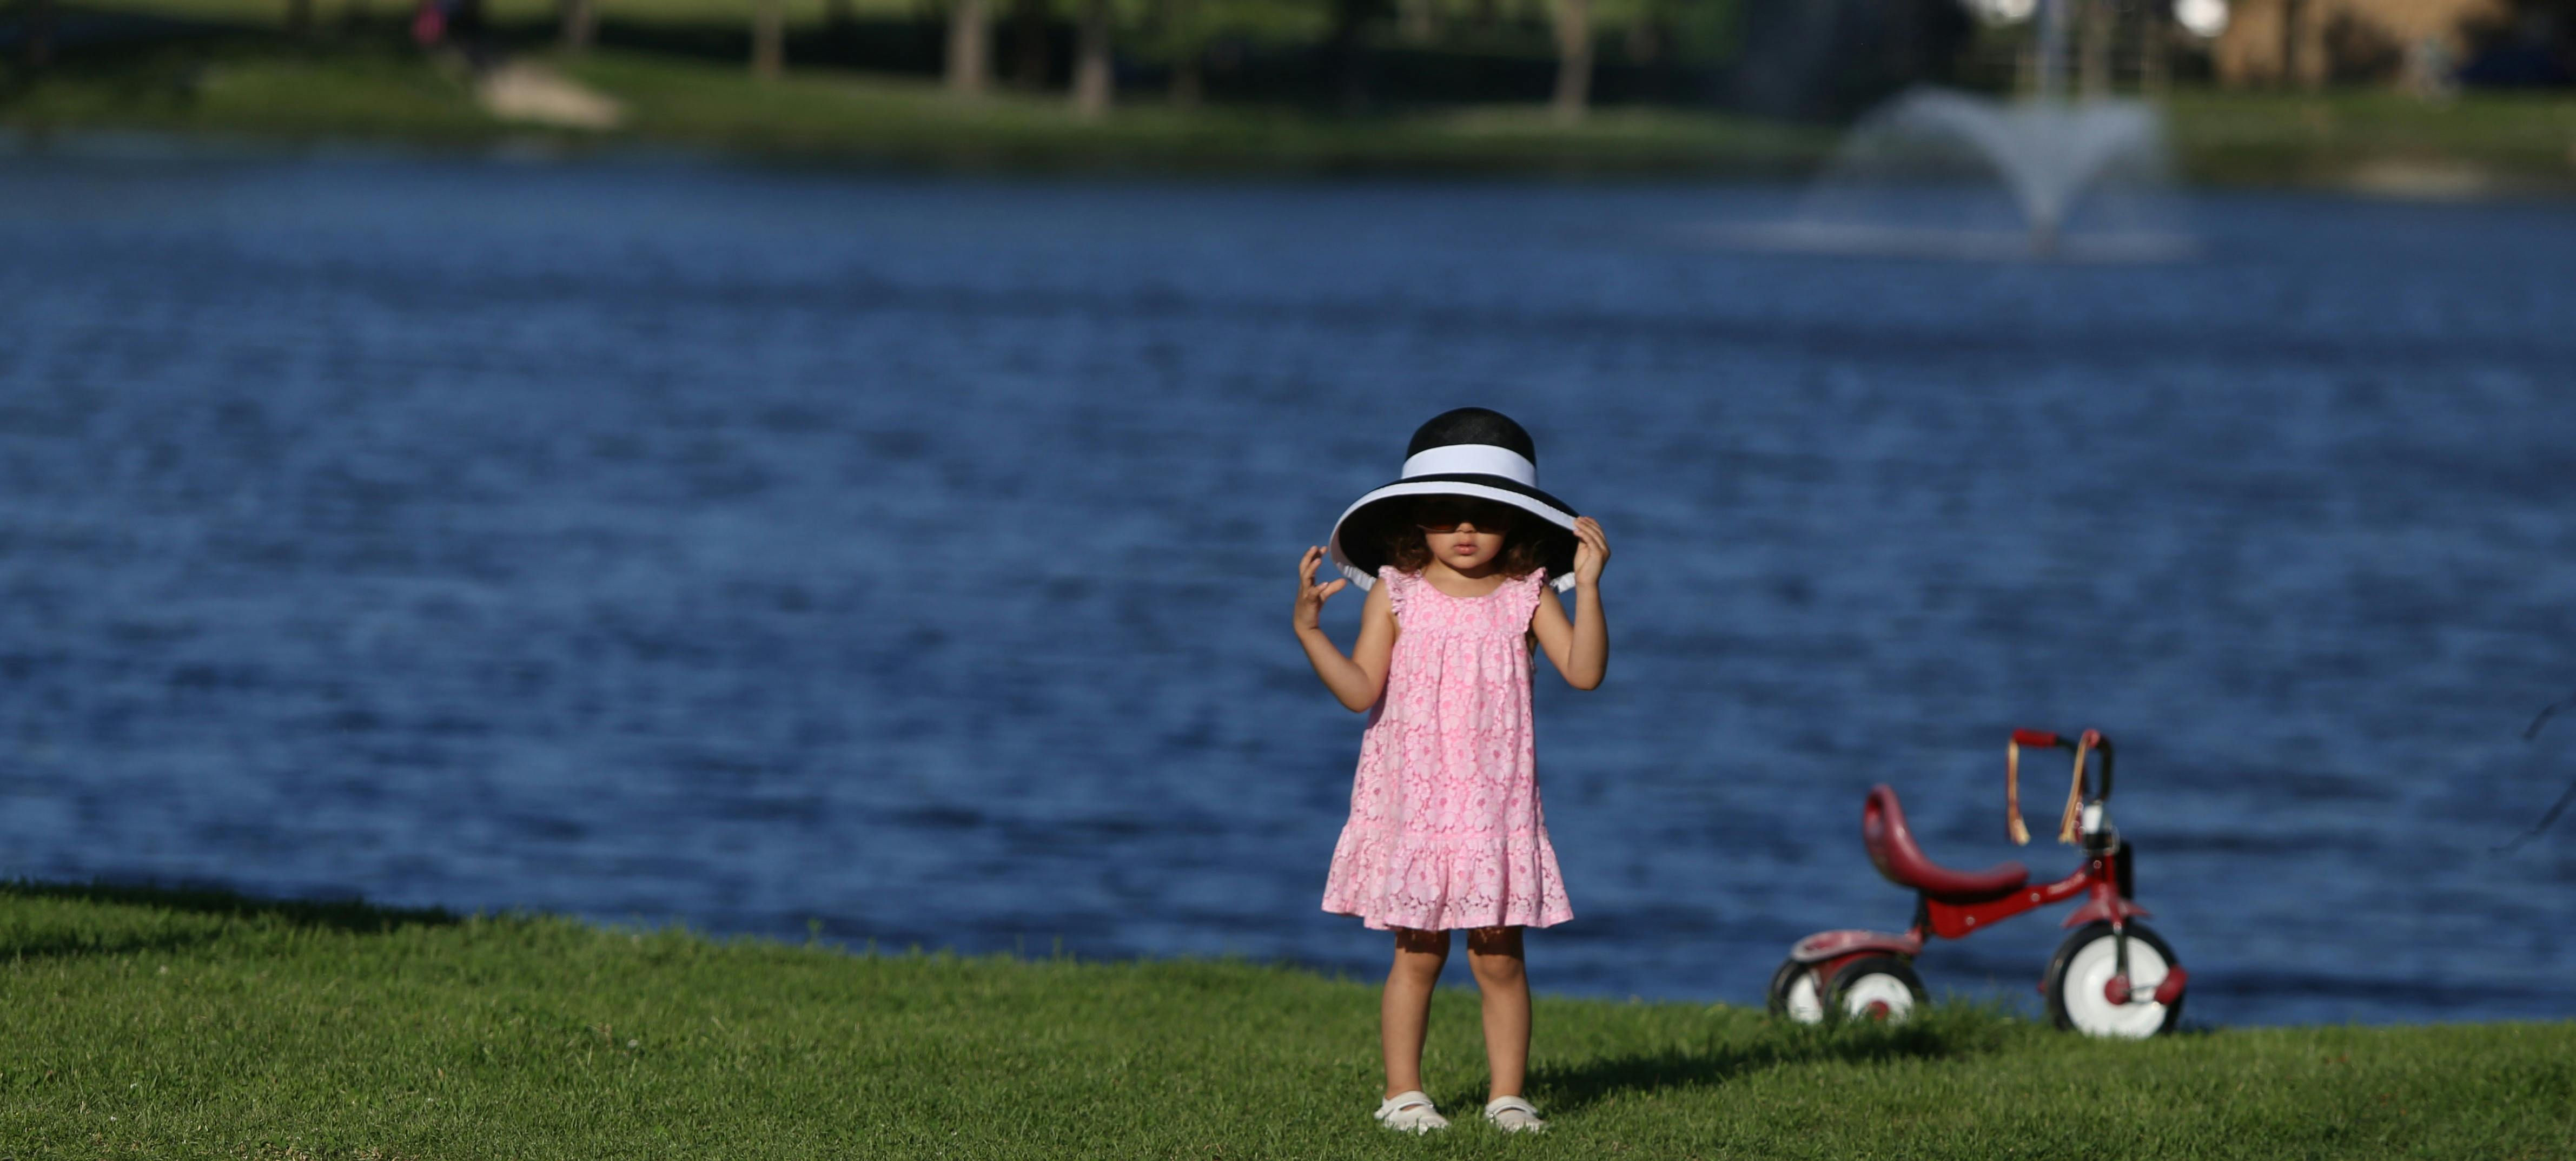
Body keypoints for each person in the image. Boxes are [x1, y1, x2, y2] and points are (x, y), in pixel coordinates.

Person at [1292, 407, 1610, 1135]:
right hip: (1417, 806)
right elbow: (1361, 689)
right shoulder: (1395, 591)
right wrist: (1310, 633)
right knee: (1418, 952)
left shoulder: (1526, 593)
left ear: (1517, 523)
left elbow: (1584, 671)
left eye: (1485, 515)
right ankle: (1403, 1093)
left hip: (1495, 810)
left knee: (1499, 957)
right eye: (1444, 514)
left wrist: (1585, 588)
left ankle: (1508, 1096)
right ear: (1414, 520)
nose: (1464, 530)